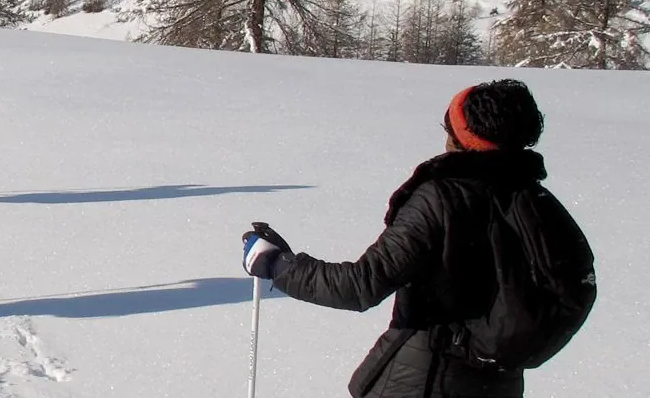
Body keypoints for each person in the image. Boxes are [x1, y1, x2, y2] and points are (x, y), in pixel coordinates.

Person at [241, 79, 589, 398]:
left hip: (424, 377)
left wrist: (275, 264)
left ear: (463, 137)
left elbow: (359, 286)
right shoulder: (538, 204)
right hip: (497, 385)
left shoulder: (442, 199)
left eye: (448, 127)